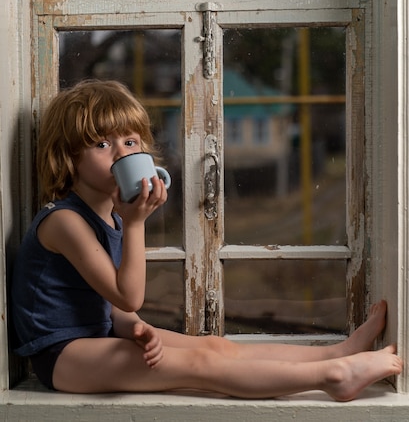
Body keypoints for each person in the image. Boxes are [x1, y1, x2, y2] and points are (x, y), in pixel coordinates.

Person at [11, 79, 402, 400]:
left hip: (98, 339)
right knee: (201, 367)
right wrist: (135, 225)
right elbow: (127, 295)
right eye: (101, 144)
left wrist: (134, 328)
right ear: (67, 157)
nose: (119, 154)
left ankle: (338, 351)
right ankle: (332, 376)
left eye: (130, 143)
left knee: (216, 347)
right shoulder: (64, 220)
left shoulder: (108, 214)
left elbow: (110, 305)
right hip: (63, 357)